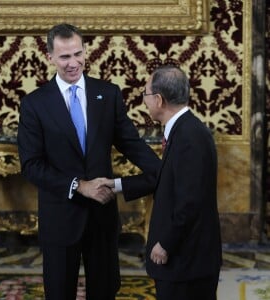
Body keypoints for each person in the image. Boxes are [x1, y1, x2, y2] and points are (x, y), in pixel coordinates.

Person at [17, 23, 161, 300]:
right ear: (49, 57)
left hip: (102, 217)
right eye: (65, 57)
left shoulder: (107, 94)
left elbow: (131, 143)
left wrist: (164, 171)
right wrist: (78, 185)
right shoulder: (34, 104)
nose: (74, 63)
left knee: (105, 292)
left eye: (78, 54)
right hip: (60, 218)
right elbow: (31, 164)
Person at [103, 65, 222, 300]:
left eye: (146, 94)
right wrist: (115, 185)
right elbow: (165, 178)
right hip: (186, 259)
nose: (144, 100)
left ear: (159, 100)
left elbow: (190, 201)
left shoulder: (190, 137)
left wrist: (166, 244)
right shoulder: (183, 130)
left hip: (186, 261)